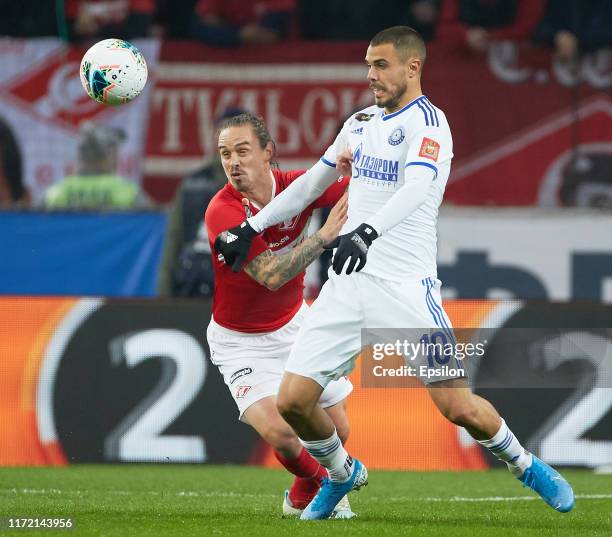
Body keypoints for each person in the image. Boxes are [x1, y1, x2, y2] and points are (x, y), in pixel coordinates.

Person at [214, 26, 576, 520]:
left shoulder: (431, 124)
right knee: (294, 401)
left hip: (406, 289)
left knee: (458, 407)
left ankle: (525, 464)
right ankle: (341, 475)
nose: (370, 75)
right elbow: (312, 184)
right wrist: (250, 226)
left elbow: (416, 188)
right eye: (368, 64)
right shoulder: (359, 122)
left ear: (412, 67)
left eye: (380, 65)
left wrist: (366, 232)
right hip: (347, 286)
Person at [205, 112, 355, 517]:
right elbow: (270, 276)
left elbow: (361, 186)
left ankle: (300, 496)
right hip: (241, 342)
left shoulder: (298, 187)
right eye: (224, 154)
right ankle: (330, 483)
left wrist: (361, 163)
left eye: (242, 151)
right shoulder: (222, 211)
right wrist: (324, 238)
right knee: (284, 435)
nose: (233, 163)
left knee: (337, 430)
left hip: (294, 325)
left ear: (268, 152)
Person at [44, 122, 147, 209]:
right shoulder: (129, 193)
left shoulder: (55, 194)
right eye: (114, 151)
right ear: (107, 156)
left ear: (79, 155)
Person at [436, 0, 545, 53]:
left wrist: (491, 37)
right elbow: (443, 28)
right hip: (464, 65)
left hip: (512, 62)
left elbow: (529, 26)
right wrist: (466, 35)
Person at [190, 0, 295, 47]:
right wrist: (239, 35)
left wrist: (224, 31)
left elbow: (270, 35)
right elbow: (204, 27)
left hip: (278, 67)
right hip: (227, 64)